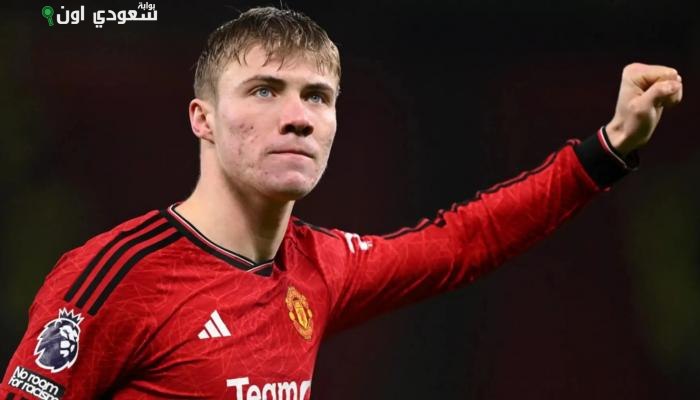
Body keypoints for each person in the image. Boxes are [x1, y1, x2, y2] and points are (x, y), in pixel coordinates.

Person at [0, 6, 683, 400]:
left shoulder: (321, 267)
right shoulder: (115, 277)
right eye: (264, 90)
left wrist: (609, 148)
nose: (298, 117)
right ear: (202, 118)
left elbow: (464, 241)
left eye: (317, 97)